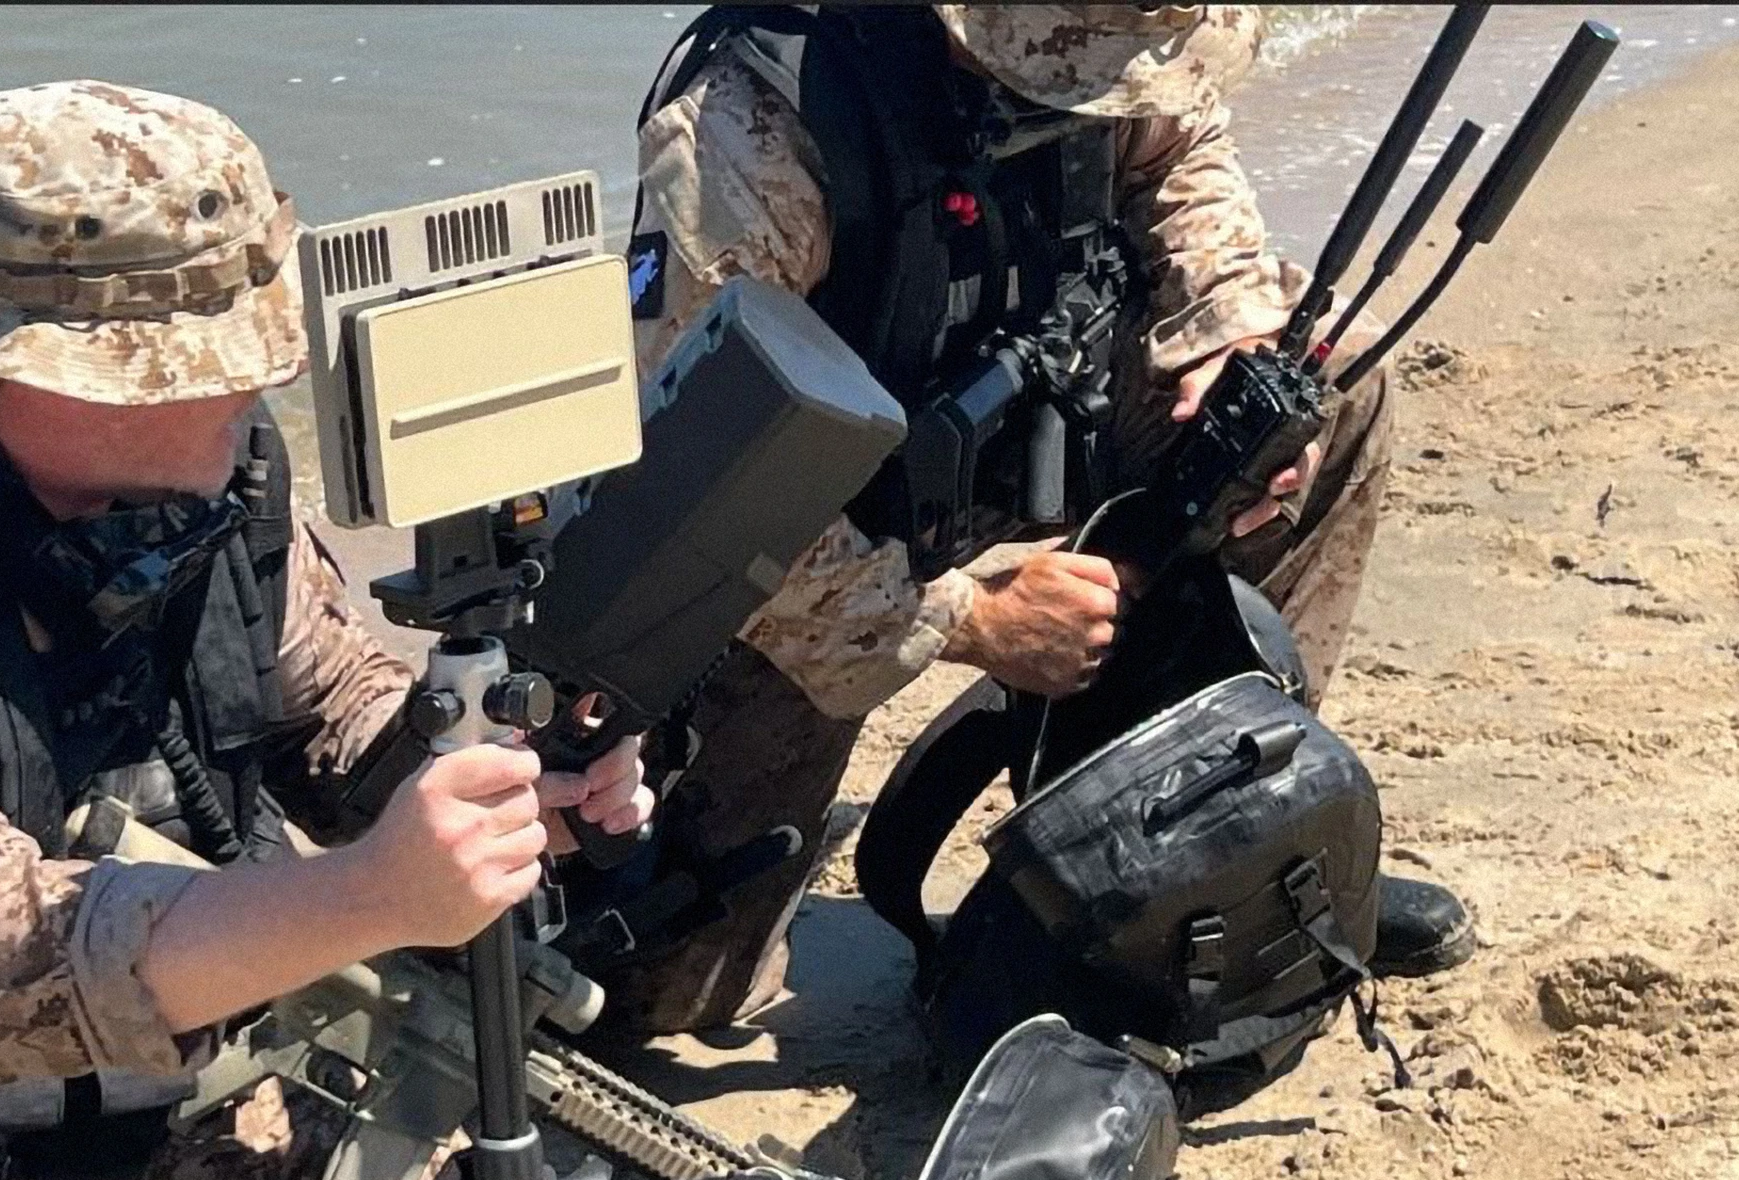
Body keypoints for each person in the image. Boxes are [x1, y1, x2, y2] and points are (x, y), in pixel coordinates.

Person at [0, 81, 652, 1180]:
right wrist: (367, 899)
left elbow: (329, 705)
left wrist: (506, 777)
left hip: (165, 1103)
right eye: (194, 368)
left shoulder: (209, 485)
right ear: (7, 366)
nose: (251, 390)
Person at [610, 4, 1472, 1035]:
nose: (1098, 83)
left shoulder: (1114, 42)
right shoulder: (750, 135)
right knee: (667, 994)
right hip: (807, 534)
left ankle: (1229, 849)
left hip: (1037, 418)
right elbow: (688, 488)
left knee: (1315, 396)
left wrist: (1225, 328)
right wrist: (969, 620)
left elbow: (1178, 136)